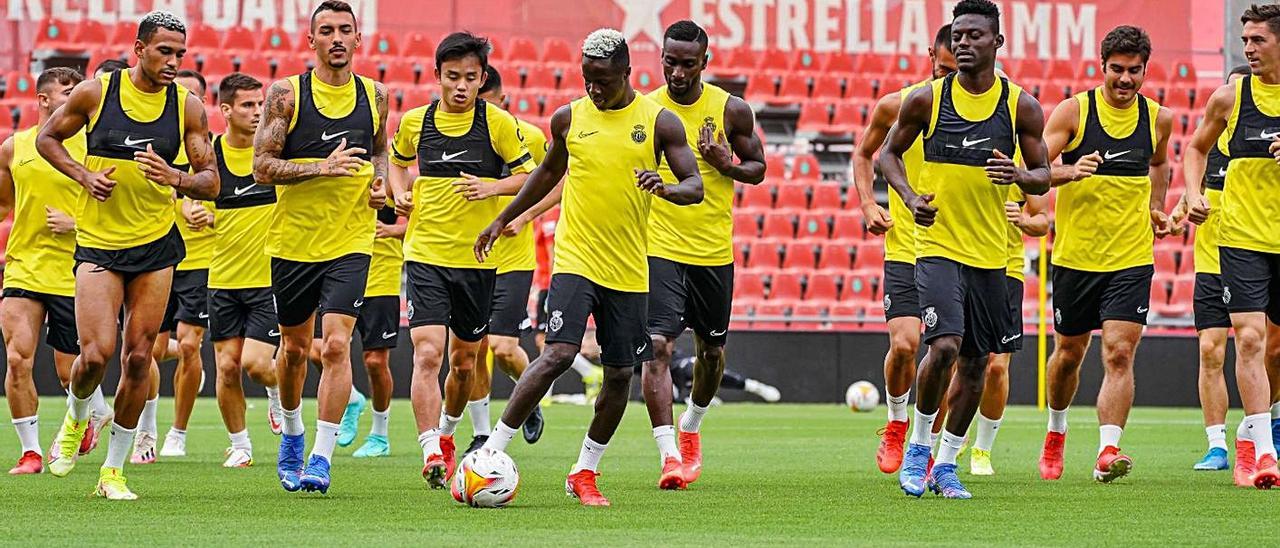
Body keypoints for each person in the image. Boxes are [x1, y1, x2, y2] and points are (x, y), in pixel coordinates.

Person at [473, 28, 703, 507]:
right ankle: (490, 452)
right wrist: (502, 219)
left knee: (620, 375)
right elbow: (547, 173)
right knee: (557, 354)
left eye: (602, 79)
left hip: (628, 269)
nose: (593, 88)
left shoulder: (659, 123)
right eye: (586, 79)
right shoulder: (569, 118)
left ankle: (584, 470)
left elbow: (695, 186)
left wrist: (663, 187)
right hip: (576, 259)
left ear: (626, 73)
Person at [37, 10, 220, 500]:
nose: (174, 61)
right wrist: (82, 175)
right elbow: (47, 138)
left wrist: (176, 178)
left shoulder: (188, 106)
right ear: (139, 49)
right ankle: (76, 417)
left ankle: (112, 473)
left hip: (156, 245)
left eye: (180, 53)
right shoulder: (98, 92)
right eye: (165, 51)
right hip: (98, 241)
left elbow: (211, 181)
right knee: (95, 355)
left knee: (140, 358)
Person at [877, 0, 1050, 499]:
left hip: (994, 254)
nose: (965, 44)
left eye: (976, 36)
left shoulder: (1021, 106)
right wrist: (909, 199)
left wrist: (1019, 174)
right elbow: (887, 154)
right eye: (959, 36)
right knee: (945, 346)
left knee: (977, 362)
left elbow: (1041, 175)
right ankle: (918, 445)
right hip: (937, 247)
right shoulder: (926, 100)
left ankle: (948, 463)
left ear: (997, 43)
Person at [387, 31, 535, 488]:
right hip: (426, 254)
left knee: (466, 365)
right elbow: (396, 161)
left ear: (481, 79)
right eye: (452, 77)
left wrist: (493, 188)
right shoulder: (416, 121)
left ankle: (449, 433)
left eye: (471, 78)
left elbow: (531, 176)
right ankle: (430, 447)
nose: (460, 86)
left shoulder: (497, 124)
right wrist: (399, 193)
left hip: (477, 261)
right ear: (437, 76)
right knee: (428, 351)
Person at [253, 0, 388, 494]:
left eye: (344, 30)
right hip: (293, 242)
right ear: (311, 41)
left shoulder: (376, 95)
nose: (336, 38)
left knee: (335, 345)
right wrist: (319, 166)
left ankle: (321, 458)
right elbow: (261, 167)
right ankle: (292, 434)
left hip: (351, 239)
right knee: (291, 350)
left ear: (358, 39)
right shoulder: (286, 95)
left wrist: (378, 184)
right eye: (326, 30)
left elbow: (377, 148)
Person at [1038, 26, 1176, 484]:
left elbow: (1159, 163)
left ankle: (1107, 450)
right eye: (1116, 70)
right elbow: (1034, 171)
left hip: (1131, 257)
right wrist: (1069, 171)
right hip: (1076, 257)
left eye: (1133, 71)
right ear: (1102, 67)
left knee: (1118, 353)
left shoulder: (1158, 118)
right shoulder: (1074, 112)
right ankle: (1056, 431)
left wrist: (1158, 206)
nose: (1125, 79)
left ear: (1144, 70)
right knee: (1069, 354)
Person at [640, 19, 766, 490]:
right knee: (656, 347)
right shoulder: (646, 111)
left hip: (712, 250)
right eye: (669, 62)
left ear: (704, 64)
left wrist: (722, 162)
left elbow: (758, 169)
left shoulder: (731, 111)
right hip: (659, 246)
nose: (677, 72)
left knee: (711, 352)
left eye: (687, 64)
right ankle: (669, 452)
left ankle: (691, 425)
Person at [1178, 4, 1280, 489]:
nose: (1249, 49)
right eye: (1246, 40)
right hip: (1240, 238)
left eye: (1258, 40)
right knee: (1252, 340)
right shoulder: (1231, 97)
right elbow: (1196, 148)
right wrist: (1194, 192)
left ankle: (1251, 431)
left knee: (1276, 350)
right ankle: (1261, 456)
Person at [853, 24, 956, 475]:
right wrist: (868, 202)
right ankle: (897, 422)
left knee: (945, 353)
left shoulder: (989, 112)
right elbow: (864, 154)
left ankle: (926, 439)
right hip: (905, 247)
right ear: (930, 55)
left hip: (956, 250)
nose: (949, 79)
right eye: (944, 67)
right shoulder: (898, 104)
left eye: (959, 71)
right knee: (905, 345)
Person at [456, 64, 554, 455]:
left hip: (513, 258)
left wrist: (525, 215)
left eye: (488, 103)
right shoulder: (460, 135)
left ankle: (526, 397)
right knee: (474, 347)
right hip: (470, 256)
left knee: (501, 346)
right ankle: (481, 432)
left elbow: (559, 182)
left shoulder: (527, 136)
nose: (482, 111)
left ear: (502, 100)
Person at [0, 67, 85, 475]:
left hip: (75, 271)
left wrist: (77, 224)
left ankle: (85, 416)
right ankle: (31, 452)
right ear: (44, 100)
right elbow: (3, 205)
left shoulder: (93, 147)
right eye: (68, 92)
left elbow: (119, 211)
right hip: (23, 269)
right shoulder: (14, 148)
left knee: (72, 373)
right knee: (18, 359)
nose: (77, 97)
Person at [200, 72, 284, 468]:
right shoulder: (210, 155)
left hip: (268, 280)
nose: (257, 112)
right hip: (222, 279)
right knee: (228, 368)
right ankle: (241, 445)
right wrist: (189, 208)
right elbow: (182, 194)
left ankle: (277, 395)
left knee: (254, 364)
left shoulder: (272, 156)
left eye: (261, 104)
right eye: (248, 105)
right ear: (226, 110)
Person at [1177, 64, 1253, 472]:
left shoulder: (1258, 149)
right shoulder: (1209, 148)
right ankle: (1216, 444)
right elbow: (1188, 195)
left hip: (1253, 254)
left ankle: (1257, 431)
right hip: (1211, 261)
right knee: (1211, 350)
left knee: (1258, 349)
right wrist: (1182, 210)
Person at [955, 186, 1050, 475]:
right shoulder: (957, 149)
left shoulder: (1021, 156)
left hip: (1006, 271)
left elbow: (1043, 220)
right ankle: (953, 435)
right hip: (963, 264)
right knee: (960, 363)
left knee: (997, 366)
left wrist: (1022, 220)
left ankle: (982, 450)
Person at [148, 68, 213, 462]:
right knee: (151, 351)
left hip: (202, 262)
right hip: (158, 256)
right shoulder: (159, 148)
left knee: (190, 345)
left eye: (195, 95)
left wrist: (211, 216)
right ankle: (147, 427)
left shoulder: (215, 152)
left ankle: (178, 432)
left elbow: (236, 202)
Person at [341, 203, 405, 458]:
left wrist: (392, 229)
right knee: (318, 350)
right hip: (340, 272)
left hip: (381, 275)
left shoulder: (394, 175)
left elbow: (427, 219)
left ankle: (379, 435)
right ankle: (351, 398)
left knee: (376, 362)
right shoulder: (335, 166)